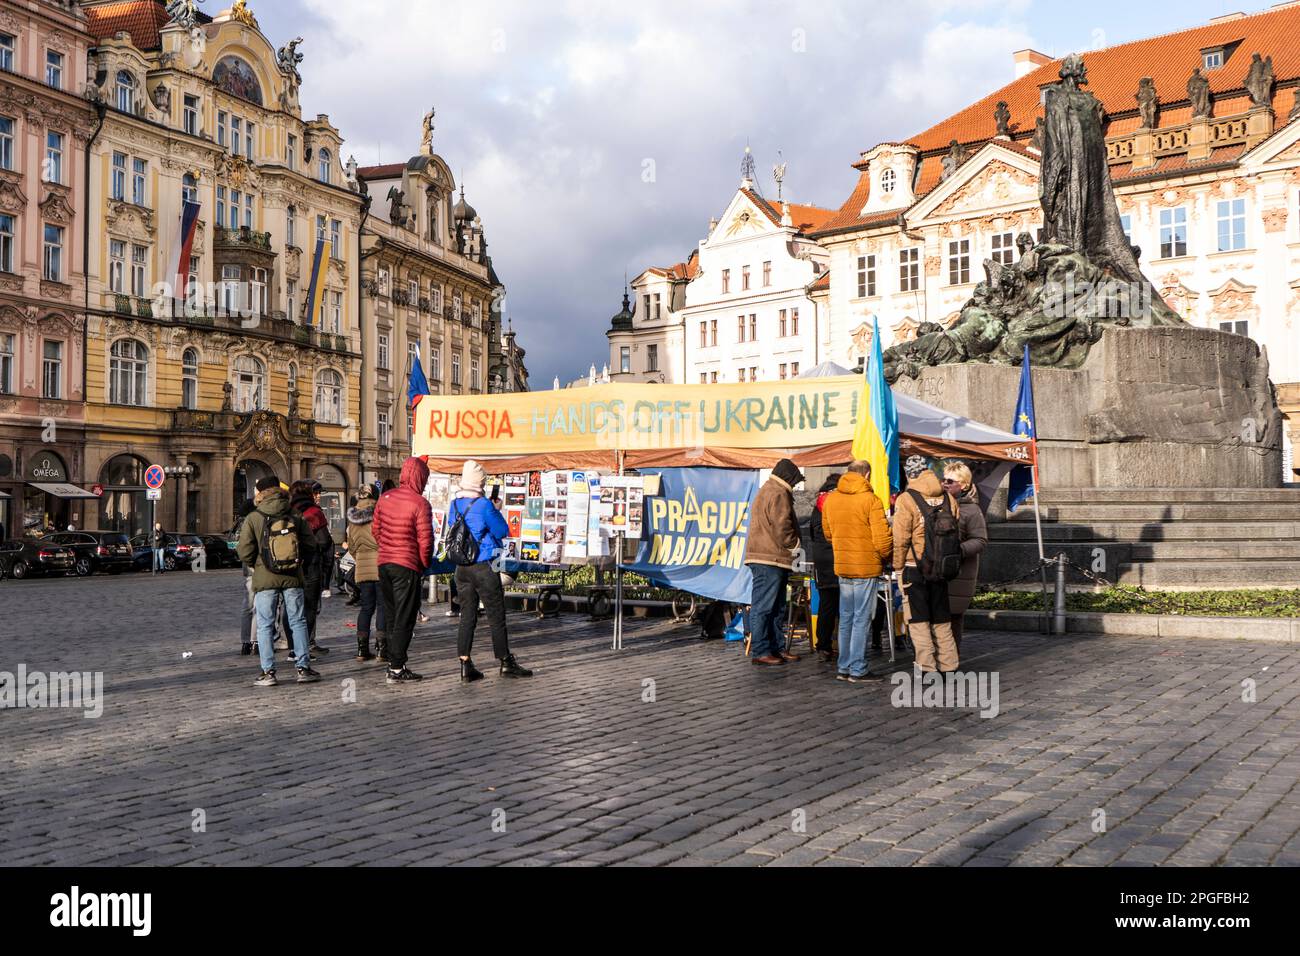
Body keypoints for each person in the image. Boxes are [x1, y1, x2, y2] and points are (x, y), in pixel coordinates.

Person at [448, 460, 532, 683]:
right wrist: (495, 509)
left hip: (461, 569)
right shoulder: (484, 505)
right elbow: (502, 530)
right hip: (483, 566)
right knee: (496, 615)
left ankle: (465, 664)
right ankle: (505, 661)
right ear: (480, 482)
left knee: (467, 615)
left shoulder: (454, 504)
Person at [236, 475, 321, 687]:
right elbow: (311, 545)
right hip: (293, 576)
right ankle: (303, 667)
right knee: (298, 621)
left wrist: (258, 564)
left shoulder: (254, 517)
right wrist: (299, 562)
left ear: (261, 493)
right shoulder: (295, 514)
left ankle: (268, 672)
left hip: (265, 577)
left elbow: (244, 550)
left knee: (265, 624)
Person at [821, 461, 894, 683]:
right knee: (861, 618)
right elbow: (882, 540)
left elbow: (828, 534)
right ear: (867, 474)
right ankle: (858, 668)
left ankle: (844, 666)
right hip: (866, 565)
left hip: (843, 564)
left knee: (846, 617)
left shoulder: (832, 499)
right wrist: (886, 555)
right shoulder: (870, 500)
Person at [373, 457, 434, 684]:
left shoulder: (385, 498)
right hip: (406, 565)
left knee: (391, 614)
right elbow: (426, 541)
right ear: (420, 477)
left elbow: (376, 530)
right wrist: (422, 563)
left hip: (384, 563)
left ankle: (393, 660)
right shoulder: (420, 503)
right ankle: (397, 668)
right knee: (405, 616)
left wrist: (387, 548)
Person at [893, 468, 960, 674]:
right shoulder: (948, 498)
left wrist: (897, 567)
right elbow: (957, 532)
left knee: (918, 621)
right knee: (942, 619)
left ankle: (926, 669)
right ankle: (949, 666)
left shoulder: (907, 499)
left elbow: (901, 538)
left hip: (915, 567)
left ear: (912, 477)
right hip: (942, 567)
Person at [744, 458, 805, 666]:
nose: (796, 486)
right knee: (765, 606)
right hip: (770, 558)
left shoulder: (768, 489)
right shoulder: (778, 492)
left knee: (776, 606)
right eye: (795, 482)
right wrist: (795, 545)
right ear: (789, 478)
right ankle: (762, 650)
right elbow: (783, 527)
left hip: (768, 557)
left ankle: (776, 648)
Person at [943, 462, 988, 653]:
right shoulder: (937, 504)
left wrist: (957, 550)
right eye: (943, 479)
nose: (944, 483)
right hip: (938, 571)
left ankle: (950, 661)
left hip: (959, 573)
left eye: (950, 481)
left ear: (963, 485)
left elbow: (980, 540)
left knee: (953, 620)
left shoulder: (972, 510)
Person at [289, 479, 332, 657]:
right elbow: (324, 541)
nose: (319, 496)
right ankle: (305, 646)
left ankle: (293, 647)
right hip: (311, 566)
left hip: (290, 565)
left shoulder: (288, 510)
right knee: (309, 607)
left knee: (292, 607)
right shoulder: (314, 513)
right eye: (315, 493)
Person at [346, 486, 385, 662]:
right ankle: (382, 650)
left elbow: (352, 547)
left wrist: (361, 558)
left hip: (362, 567)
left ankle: (362, 650)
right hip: (380, 563)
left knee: (366, 607)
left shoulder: (353, 518)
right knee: (383, 606)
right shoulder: (380, 513)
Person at [806, 474, 842, 664]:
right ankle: (842, 646)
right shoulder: (839, 502)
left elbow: (812, 533)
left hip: (822, 560)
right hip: (840, 557)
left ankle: (824, 645)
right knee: (845, 606)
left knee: (826, 604)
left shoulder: (818, 505)